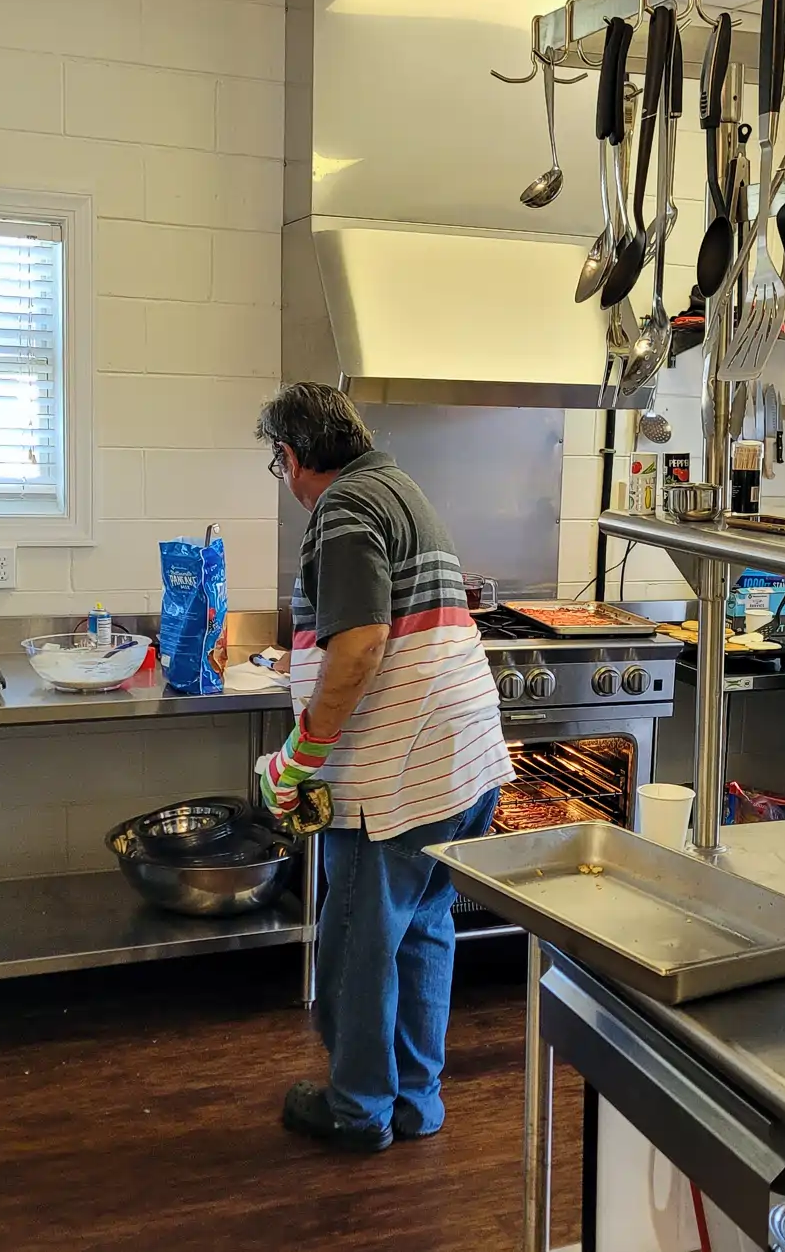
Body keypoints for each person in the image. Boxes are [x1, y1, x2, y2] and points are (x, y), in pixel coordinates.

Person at [256, 382, 512, 1154]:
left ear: (292, 456)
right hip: (462, 764)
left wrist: (299, 755)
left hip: (397, 778)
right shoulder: (399, 487)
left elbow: (363, 642)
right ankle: (414, 1100)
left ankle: (358, 1108)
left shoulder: (342, 506)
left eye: (278, 463)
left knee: (358, 945)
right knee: (423, 928)